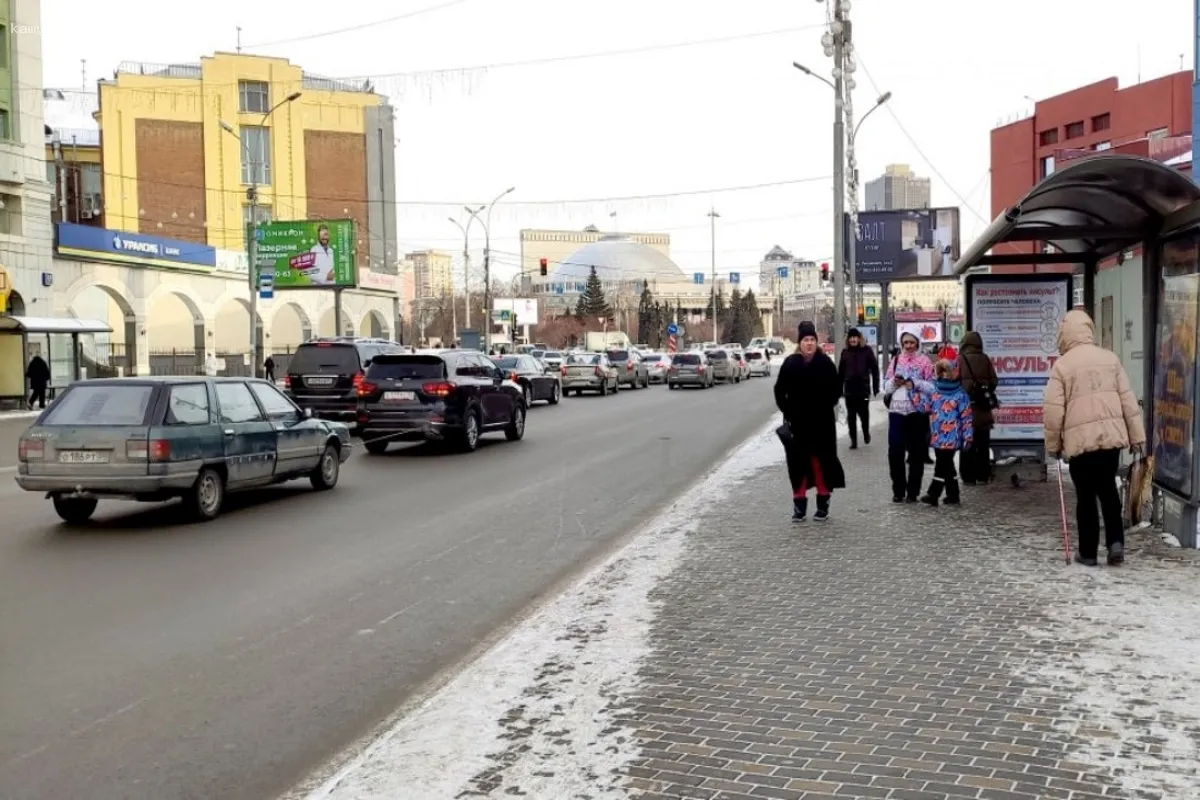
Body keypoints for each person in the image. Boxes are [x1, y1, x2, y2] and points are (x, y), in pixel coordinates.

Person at [1044, 309, 1146, 567]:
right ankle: (1115, 544)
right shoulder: (1110, 359)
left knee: (1086, 497)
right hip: (1110, 440)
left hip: (1080, 444)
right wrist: (1136, 436)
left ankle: (1088, 553)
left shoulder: (1063, 366)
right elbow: (1128, 401)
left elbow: (1054, 411)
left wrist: (1054, 445)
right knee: (1108, 491)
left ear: (1064, 335)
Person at [774, 321, 846, 522]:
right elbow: (779, 390)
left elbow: (836, 388)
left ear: (816, 342)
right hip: (798, 424)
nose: (809, 343)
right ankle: (799, 506)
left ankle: (823, 504)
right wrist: (787, 409)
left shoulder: (825, 363)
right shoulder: (790, 363)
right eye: (806, 340)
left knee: (820, 464)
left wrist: (825, 405)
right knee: (798, 466)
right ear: (800, 342)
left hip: (822, 424)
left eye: (812, 340)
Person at [883, 332, 935, 503]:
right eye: (905, 342)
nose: (908, 346)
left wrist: (915, 383)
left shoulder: (925, 362)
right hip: (897, 411)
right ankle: (898, 490)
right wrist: (893, 383)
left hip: (917, 412)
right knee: (895, 452)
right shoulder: (896, 360)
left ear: (918, 343)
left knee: (916, 454)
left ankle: (913, 491)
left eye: (912, 342)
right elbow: (886, 384)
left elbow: (932, 387)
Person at [913, 359, 974, 506]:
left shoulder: (960, 394)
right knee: (947, 465)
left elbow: (966, 416)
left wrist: (968, 436)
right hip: (937, 435)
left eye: (948, 371)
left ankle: (933, 494)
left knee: (942, 464)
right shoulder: (934, 391)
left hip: (953, 436)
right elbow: (924, 408)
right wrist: (913, 393)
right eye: (942, 371)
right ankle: (953, 495)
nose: (945, 375)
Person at [956, 331, 999, 485]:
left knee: (967, 444)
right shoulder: (985, 359)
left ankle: (968, 476)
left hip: (966, 408)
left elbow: (954, 382)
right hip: (982, 408)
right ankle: (982, 474)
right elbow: (994, 381)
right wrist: (984, 389)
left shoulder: (960, 360)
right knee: (983, 444)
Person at [837, 327, 879, 449]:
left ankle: (866, 432)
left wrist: (876, 386)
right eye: (851, 338)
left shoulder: (867, 351)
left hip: (863, 389)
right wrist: (839, 389)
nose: (853, 340)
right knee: (851, 416)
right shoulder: (845, 353)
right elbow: (840, 373)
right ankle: (853, 440)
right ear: (848, 339)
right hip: (849, 390)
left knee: (864, 415)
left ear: (859, 338)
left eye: (855, 337)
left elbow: (875, 369)